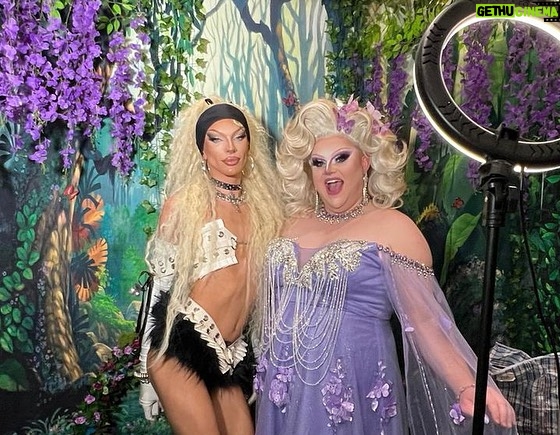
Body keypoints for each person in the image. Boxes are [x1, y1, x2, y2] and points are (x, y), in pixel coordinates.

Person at [252, 96, 517, 434]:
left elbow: (425, 322)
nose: (329, 170)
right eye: (318, 163)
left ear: (365, 162)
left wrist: (466, 385)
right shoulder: (290, 223)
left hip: (351, 384)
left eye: (341, 158)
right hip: (283, 386)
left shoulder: (394, 228)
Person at [136, 95, 284, 435]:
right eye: (216, 139)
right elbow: (159, 288)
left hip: (230, 355)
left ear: (249, 144)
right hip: (179, 346)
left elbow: (262, 298)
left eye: (239, 137)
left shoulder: (267, 210)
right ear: (203, 150)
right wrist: (145, 373)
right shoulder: (185, 204)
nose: (230, 148)